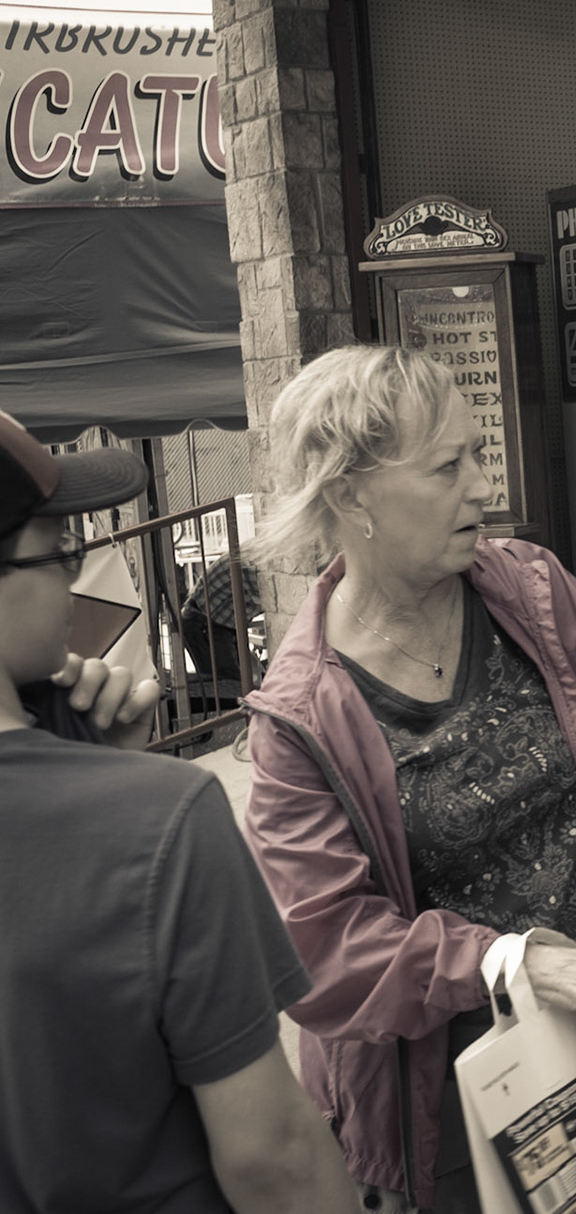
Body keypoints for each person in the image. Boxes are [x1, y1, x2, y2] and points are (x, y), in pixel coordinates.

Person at [239, 346, 576, 1212]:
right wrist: (516, 963)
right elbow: (324, 952)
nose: (483, 486)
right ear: (351, 496)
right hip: (448, 1109)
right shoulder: (299, 715)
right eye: (447, 467)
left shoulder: (529, 587)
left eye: (477, 454)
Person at [0, 407, 358, 1213]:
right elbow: (274, 1158)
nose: (72, 581)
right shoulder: (166, 820)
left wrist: (92, 769)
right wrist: (119, 793)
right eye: (60, 550)